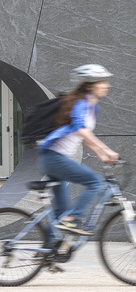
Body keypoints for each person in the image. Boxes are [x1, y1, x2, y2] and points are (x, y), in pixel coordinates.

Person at [38, 64, 118, 235]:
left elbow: (82, 137)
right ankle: (73, 220)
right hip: (54, 158)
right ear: (90, 85)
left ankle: (49, 251)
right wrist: (107, 150)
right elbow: (80, 129)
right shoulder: (81, 103)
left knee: (61, 212)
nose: (107, 85)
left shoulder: (92, 106)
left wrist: (101, 155)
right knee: (95, 182)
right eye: (102, 81)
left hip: (54, 159)